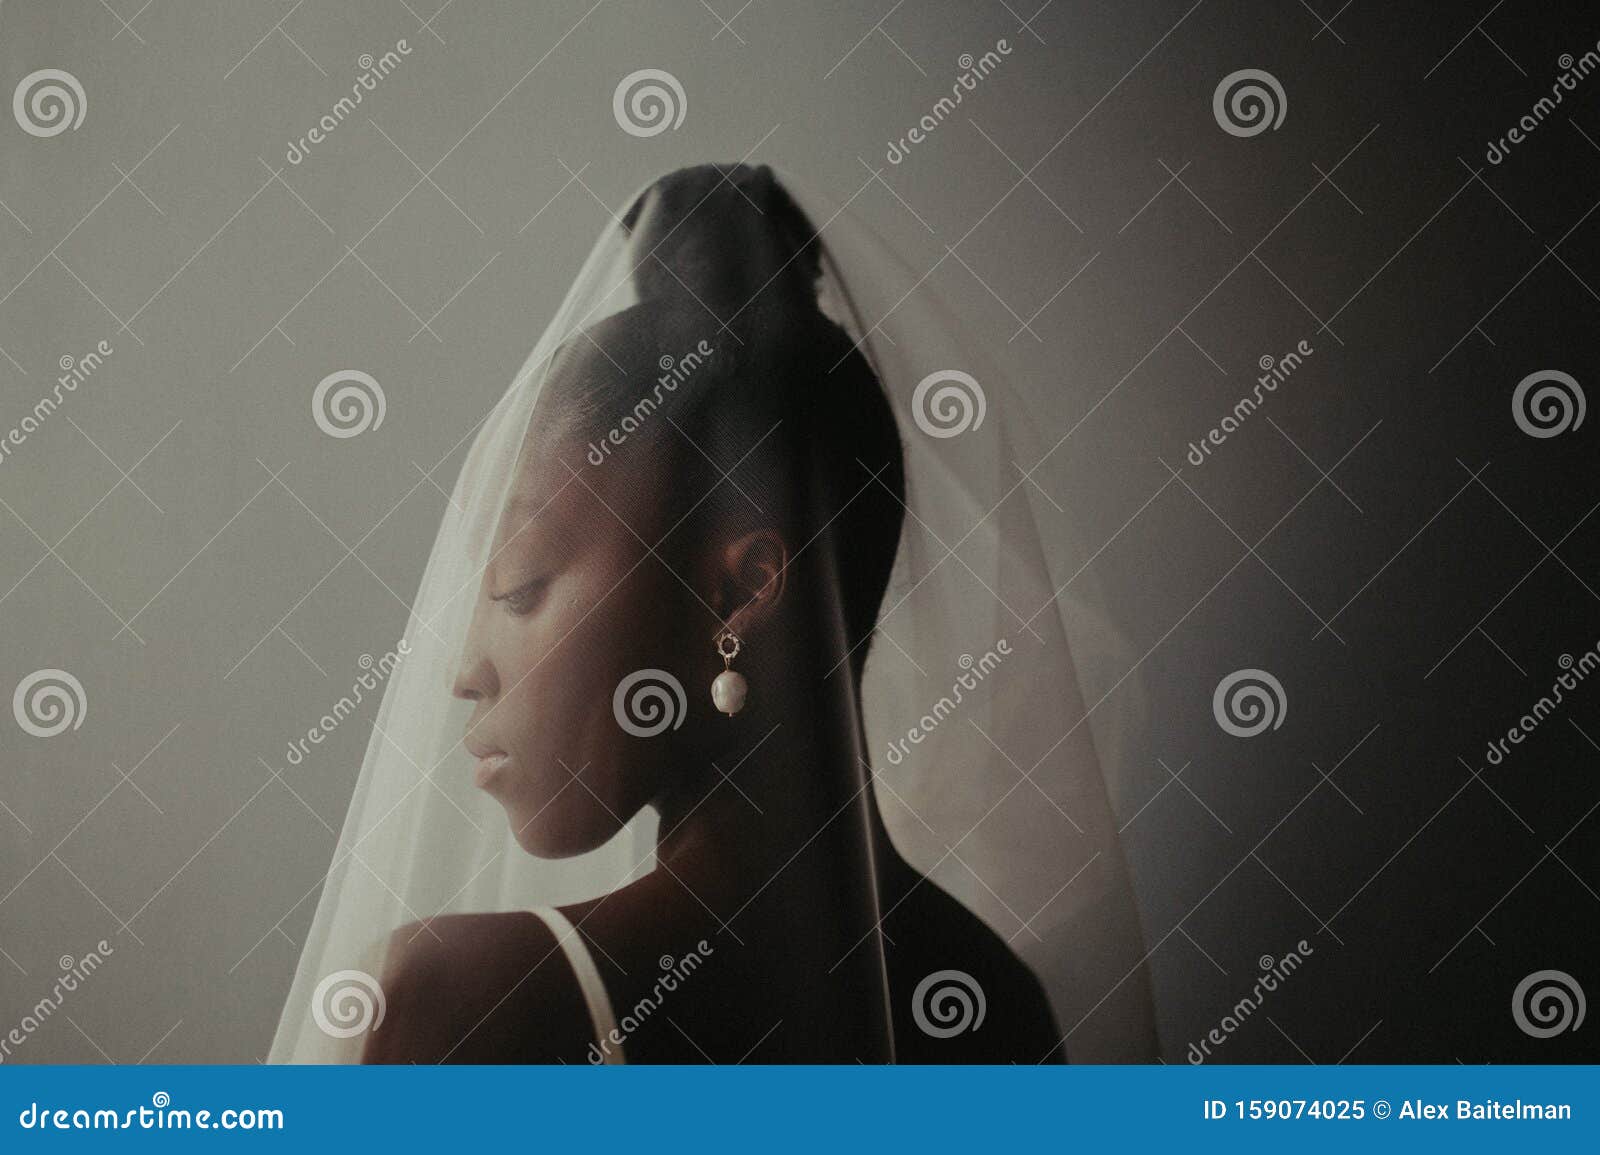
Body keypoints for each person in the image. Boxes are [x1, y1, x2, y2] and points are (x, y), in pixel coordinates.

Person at [270, 164, 1155, 1065]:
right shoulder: (998, 1005)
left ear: (738, 591)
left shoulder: (448, 1004)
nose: (464, 671)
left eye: (519, 588)